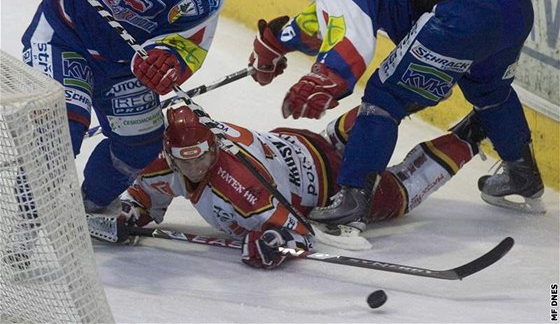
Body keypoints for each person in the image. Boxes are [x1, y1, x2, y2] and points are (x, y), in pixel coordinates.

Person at [247, 0, 545, 226]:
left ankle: (353, 198)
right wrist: (276, 42)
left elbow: (350, 39)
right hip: (512, 3)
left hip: (462, 16)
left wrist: (324, 78)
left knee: (384, 97)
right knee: (490, 90)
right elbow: (331, 21)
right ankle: (523, 175)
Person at [6, 0, 229, 212]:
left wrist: (168, 61)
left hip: (123, 65)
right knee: (59, 132)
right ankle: (25, 225)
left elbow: (189, 44)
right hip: (64, 37)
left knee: (139, 146)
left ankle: (87, 205)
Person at [113, 104, 485, 269]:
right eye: (185, 160)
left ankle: (472, 134)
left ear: (214, 146)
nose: (194, 168)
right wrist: (134, 209)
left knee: (401, 190)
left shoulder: (241, 187)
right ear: (169, 154)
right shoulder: (170, 158)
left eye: (201, 158)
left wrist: (273, 244)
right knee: (376, 113)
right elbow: (148, 193)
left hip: (332, 188)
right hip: (304, 142)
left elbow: (300, 234)